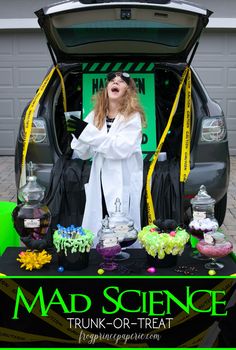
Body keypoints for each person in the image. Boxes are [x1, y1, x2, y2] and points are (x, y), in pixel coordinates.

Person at [68, 71, 146, 242]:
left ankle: (122, 255)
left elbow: (120, 149)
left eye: (120, 82)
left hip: (122, 178)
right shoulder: (96, 116)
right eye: (112, 81)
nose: (115, 83)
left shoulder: (133, 117)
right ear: (106, 88)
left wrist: (87, 133)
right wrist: (77, 134)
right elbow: (83, 153)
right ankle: (101, 254)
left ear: (128, 90)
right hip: (101, 177)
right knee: (100, 218)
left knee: (122, 223)